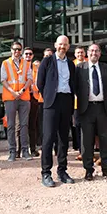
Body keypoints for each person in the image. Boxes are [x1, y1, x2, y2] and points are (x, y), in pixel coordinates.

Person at [38, 35, 76, 187]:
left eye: (65, 44)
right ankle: (46, 173)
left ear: (68, 46)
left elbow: (73, 83)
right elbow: (40, 82)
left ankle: (62, 171)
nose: (62, 47)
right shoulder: (47, 61)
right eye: (60, 44)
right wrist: (48, 96)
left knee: (63, 139)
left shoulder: (71, 64)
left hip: (66, 101)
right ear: (55, 45)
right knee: (48, 139)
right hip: (51, 102)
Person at [76, 44, 107, 180]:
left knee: (105, 139)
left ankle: (106, 168)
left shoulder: (105, 68)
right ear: (87, 53)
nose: (94, 53)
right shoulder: (80, 68)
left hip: (101, 108)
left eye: (97, 51)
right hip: (86, 109)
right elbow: (76, 88)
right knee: (87, 141)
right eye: (92, 51)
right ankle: (88, 170)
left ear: (100, 53)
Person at [1, 42, 33, 161]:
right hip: (10, 97)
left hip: (24, 97)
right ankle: (12, 152)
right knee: (11, 125)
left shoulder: (26, 63)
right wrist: (13, 92)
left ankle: (25, 151)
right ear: (11, 50)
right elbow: (3, 80)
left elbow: (30, 78)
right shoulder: (5, 63)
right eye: (15, 49)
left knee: (24, 125)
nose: (17, 51)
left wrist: (23, 90)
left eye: (19, 49)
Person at [24, 48, 40, 157]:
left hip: (33, 97)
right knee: (21, 125)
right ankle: (20, 150)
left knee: (32, 125)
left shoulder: (36, 68)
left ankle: (33, 149)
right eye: (26, 54)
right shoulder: (19, 66)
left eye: (30, 54)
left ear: (32, 55)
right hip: (22, 97)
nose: (28, 56)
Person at [72, 46, 86, 159]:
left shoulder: (89, 64)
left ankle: (88, 151)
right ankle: (81, 151)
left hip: (88, 101)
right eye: (78, 52)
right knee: (78, 126)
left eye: (81, 52)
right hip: (75, 103)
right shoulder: (72, 65)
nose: (80, 54)